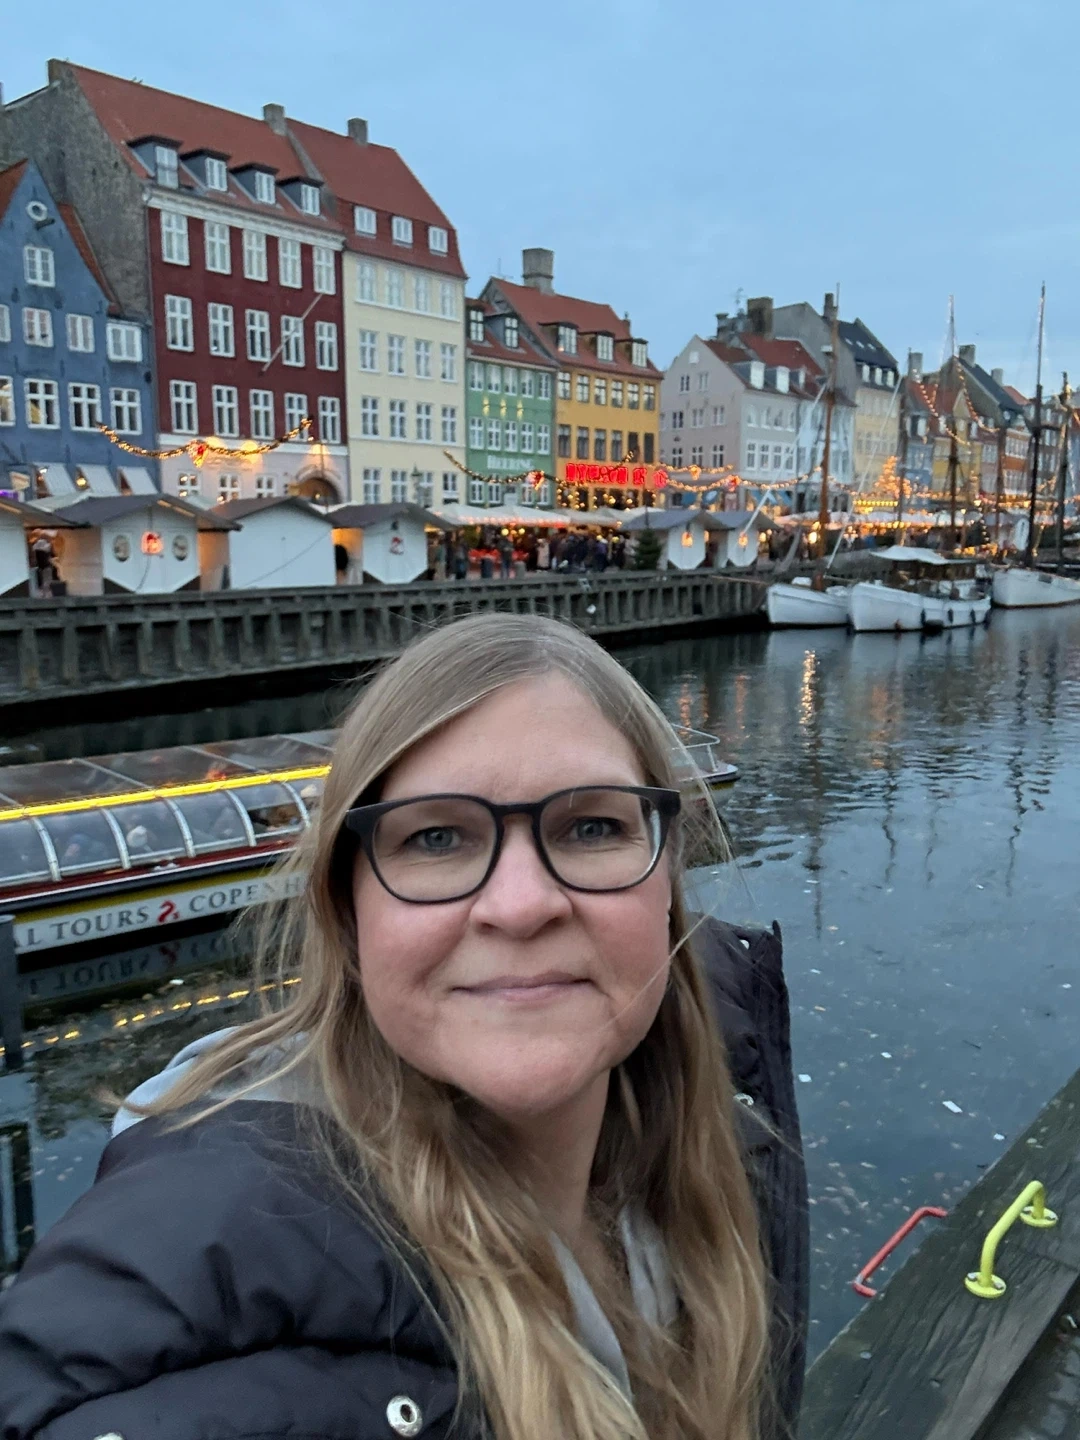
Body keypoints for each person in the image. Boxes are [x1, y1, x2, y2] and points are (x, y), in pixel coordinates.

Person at [0, 615, 807, 1440]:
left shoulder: (722, 1129)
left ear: (667, 879)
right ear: (349, 912)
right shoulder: (215, 1253)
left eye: (593, 827)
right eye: (436, 837)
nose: (521, 905)